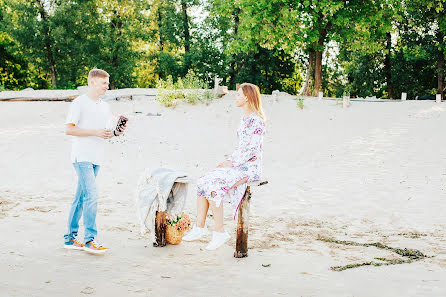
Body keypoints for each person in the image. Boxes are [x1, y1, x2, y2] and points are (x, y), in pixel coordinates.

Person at [183, 83, 266, 250]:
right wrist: (229, 161)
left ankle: (219, 232)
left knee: (215, 183)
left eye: (238, 95)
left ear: (247, 97)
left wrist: (231, 163)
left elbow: (251, 150)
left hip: (250, 168)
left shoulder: (257, 121)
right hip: (238, 164)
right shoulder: (244, 119)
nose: (235, 97)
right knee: (204, 180)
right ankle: (200, 227)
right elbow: (241, 147)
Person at [63, 69, 126, 254]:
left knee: (80, 198)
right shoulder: (79, 103)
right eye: (104, 83)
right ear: (92, 82)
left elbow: (104, 133)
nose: (107, 86)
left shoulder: (105, 106)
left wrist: (116, 133)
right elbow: (69, 129)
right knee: (92, 196)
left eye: (108, 83)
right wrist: (95, 132)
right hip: (81, 156)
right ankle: (90, 240)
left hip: (97, 157)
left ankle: (69, 239)